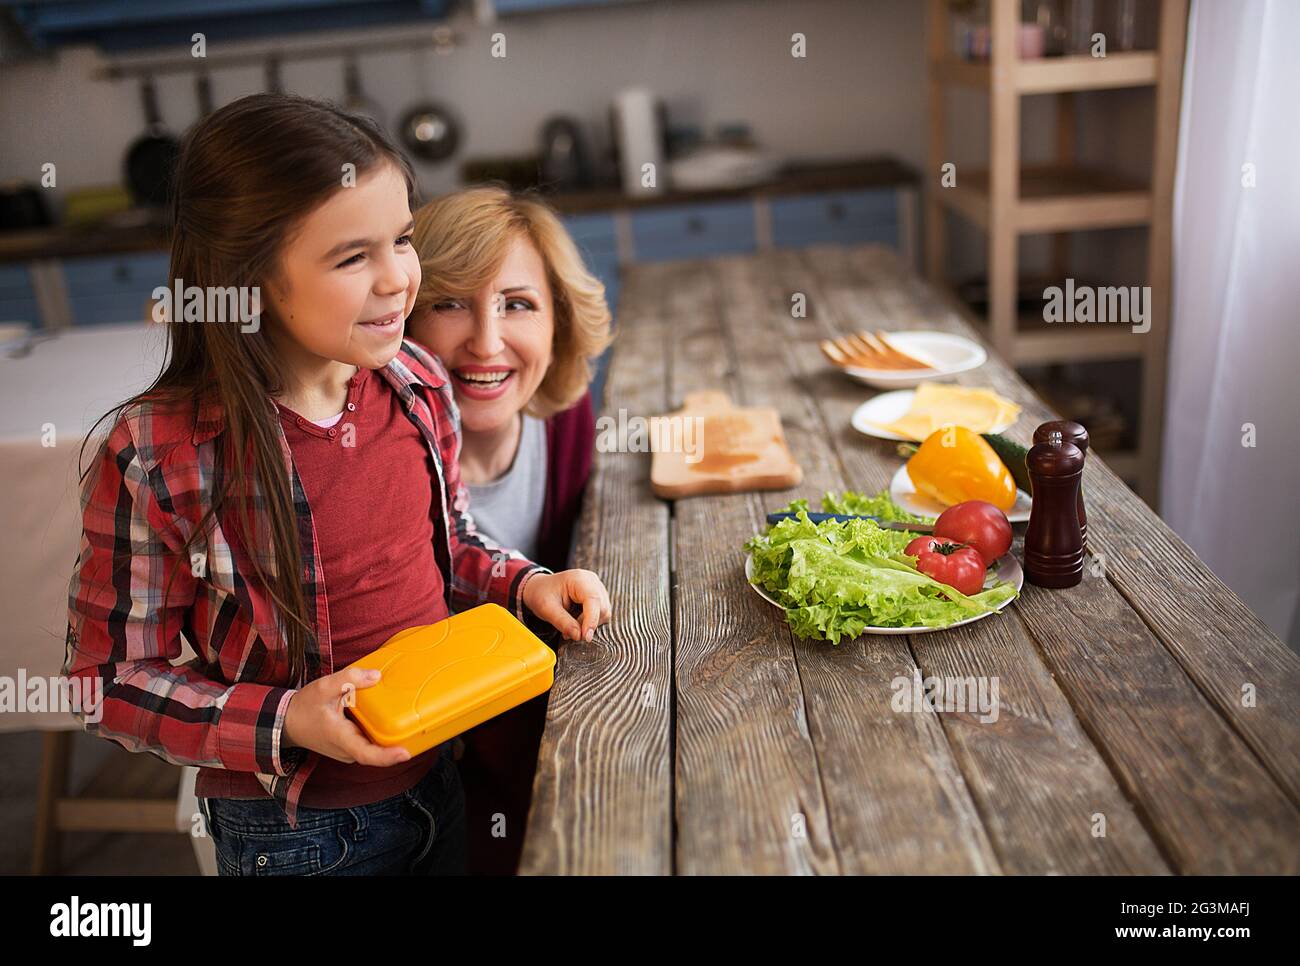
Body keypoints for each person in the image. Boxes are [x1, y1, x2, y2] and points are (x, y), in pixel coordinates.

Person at [63, 94, 611, 876]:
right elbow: (105, 681)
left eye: (403, 240)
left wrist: (527, 584)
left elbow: (447, 541)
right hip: (296, 837)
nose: (399, 281)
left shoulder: (416, 382)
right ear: (248, 277)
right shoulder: (159, 453)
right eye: (354, 257)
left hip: (437, 777)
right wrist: (286, 720)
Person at [406, 186, 612, 873]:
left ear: (557, 323)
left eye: (517, 304)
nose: (487, 341)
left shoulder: (569, 425)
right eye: (450, 303)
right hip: (439, 801)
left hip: (566, 747)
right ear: (400, 322)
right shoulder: (383, 473)